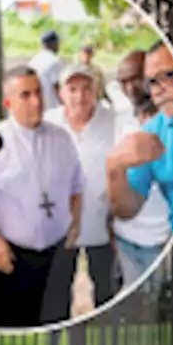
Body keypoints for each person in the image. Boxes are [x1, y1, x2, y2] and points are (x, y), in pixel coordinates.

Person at [0, 66, 85, 328]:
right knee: (12, 326)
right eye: (25, 95)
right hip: (12, 257)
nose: (36, 101)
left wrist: (75, 223)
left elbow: (77, 183)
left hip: (58, 253)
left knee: (56, 324)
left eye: (38, 92)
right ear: (8, 102)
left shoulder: (61, 138)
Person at [107, 40, 173, 237]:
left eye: (167, 76)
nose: (157, 90)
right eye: (152, 82)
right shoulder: (151, 133)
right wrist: (114, 168)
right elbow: (127, 209)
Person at [47, 63, 120, 308]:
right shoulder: (49, 122)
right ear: (61, 93)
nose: (80, 96)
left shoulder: (112, 120)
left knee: (105, 287)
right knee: (57, 288)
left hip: (103, 221)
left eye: (87, 88)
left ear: (96, 90)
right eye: (73, 89)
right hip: (59, 224)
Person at [29, 29, 65, 112]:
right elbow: (58, 87)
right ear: (53, 44)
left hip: (38, 107)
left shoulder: (33, 61)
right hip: (52, 108)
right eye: (57, 43)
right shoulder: (54, 61)